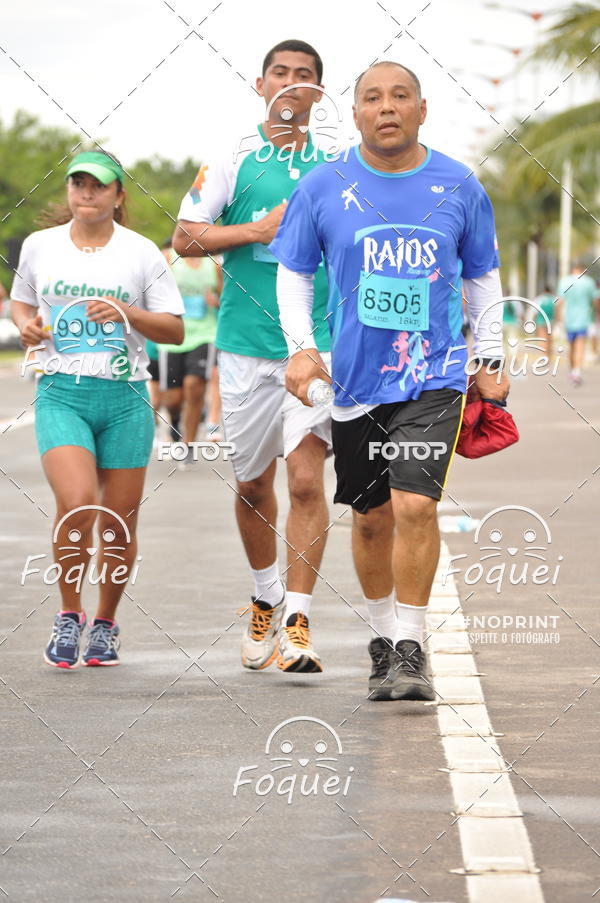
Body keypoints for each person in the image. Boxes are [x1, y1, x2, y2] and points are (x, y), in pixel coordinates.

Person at [271, 60, 509, 700]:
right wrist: (301, 350)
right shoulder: (324, 186)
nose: (386, 107)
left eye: (400, 96)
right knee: (371, 518)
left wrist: (488, 358)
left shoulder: (459, 184)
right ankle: (382, 642)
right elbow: (293, 273)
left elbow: (481, 276)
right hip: (352, 381)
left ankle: (411, 646)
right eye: (372, 98)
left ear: (421, 109)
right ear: (354, 115)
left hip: (434, 374)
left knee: (415, 503)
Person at [173, 39, 333, 673]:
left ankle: (297, 620)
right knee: (251, 485)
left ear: (320, 91)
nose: (292, 85)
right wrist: (258, 230)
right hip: (243, 348)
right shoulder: (232, 160)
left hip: (315, 348)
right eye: (281, 74)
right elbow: (184, 238)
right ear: (261, 83)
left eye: (306, 77)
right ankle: (265, 595)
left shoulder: (339, 165)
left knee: (304, 480)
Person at [10, 150, 184, 669]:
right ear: (68, 191)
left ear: (118, 195)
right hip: (63, 391)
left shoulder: (142, 253)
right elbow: (23, 301)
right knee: (80, 503)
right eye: (78, 184)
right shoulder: (41, 247)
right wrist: (27, 326)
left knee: (117, 522)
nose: (87, 193)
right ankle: (69, 614)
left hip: (125, 397)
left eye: (98, 185)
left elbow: (173, 329)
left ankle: (105, 623)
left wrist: (126, 312)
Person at [160, 239, 222, 462]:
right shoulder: (167, 259)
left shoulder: (214, 264)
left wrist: (215, 301)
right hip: (173, 335)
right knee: (173, 398)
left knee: (194, 385)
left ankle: (189, 445)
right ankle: (175, 419)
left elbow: (227, 299)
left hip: (205, 334)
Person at [557, 263, 596, 386]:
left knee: (571, 346)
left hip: (568, 319)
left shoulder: (564, 281)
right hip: (583, 318)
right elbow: (595, 301)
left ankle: (573, 370)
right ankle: (577, 372)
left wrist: (558, 318)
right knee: (580, 346)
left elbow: (560, 301)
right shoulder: (589, 282)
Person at [533, 284, 555, 359]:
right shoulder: (553, 299)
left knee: (543, 338)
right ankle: (549, 354)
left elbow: (535, 312)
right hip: (550, 321)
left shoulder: (539, 299)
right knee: (549, 338)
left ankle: (544, 354)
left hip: (541, 321)